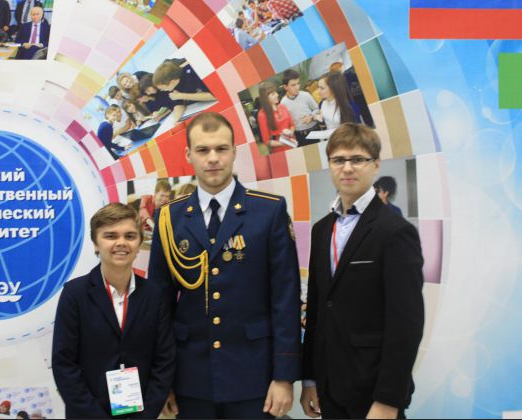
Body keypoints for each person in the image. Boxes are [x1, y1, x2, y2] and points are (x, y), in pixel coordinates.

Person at [148, 112, 301, 418]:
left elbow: (285, 299)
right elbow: (159, 305)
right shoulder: (169, 218)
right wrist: (161, 380)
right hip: (190, 377)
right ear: (189, 155)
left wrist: (284, 376)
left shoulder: (268, 211)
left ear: (234, 151)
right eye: (203, 150)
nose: (213, 158)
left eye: (221, 148)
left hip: (254, 375)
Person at [300, 123, 424, 419]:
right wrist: (310, 380)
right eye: (338, 160)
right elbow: (317, 311)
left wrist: (388, 400)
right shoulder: (321, 230)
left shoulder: (395, 232)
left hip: (373, 390)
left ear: (376, 165)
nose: (347, 168)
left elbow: (406, 324)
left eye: (357, 159)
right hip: (330, 387)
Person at [52, 203, 175, 419]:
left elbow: (164, 362)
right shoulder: (74, 294)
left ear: (139, 243)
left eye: (130, 236)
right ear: (95, 244)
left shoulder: (155, 295)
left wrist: (145, 416)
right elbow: (64, 364)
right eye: (110, 236)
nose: (121, 243)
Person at [153, 60, 216, 124]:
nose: (162, 91)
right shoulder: (174, 86)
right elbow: (178, 104)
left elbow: (215, 95)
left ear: (172, 82)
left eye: (163, 88)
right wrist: (177, 120)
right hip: (200, 109)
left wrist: (181, 95)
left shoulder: (193, 73)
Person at [280, 69, 319, 146]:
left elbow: (317, 109)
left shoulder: (306, 95)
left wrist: (311, 117)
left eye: (298, 83)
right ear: (285, 87)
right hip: (299, 137)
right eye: (293, 85)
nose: (297, 87)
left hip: (314, 131)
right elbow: (286, 123)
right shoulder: (283, 103)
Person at [257, 81, 297, 153]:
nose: (277, 95)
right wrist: (285, 142)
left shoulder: (282, 106)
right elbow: (266, 141)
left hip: (292, 143)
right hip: (279, 149)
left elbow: (292, 125)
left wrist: (290, 132)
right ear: (266, 98)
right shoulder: (262, 115)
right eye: (273, 94)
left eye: (276, 92)